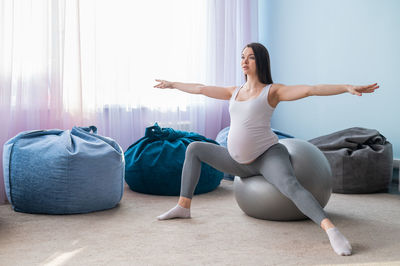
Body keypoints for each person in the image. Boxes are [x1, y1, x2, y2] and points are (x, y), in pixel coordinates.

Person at [153, 42, 379, 256]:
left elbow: (311, 89)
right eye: (242, 57)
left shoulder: (272, 91)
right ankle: (183, 206)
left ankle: (331, 230)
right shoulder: (234, 91)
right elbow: (200, 89)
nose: (245, 61)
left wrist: (346, 87)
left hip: (267, 156)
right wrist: (173, 84)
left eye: (250, 57)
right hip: (236, 161)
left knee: (290, 185)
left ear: (260, 61)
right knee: (194, 148)